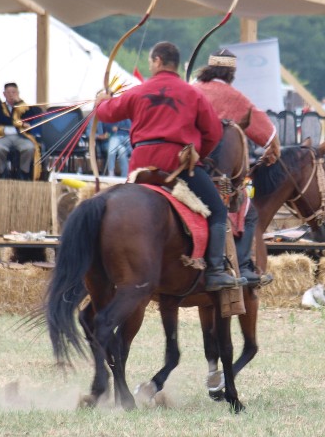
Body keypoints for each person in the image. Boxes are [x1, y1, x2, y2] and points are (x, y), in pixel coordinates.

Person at [94, 41, 239, 291]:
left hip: (141, 167)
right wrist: (196, 156)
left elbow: (107, 113)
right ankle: (215, 271)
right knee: (217, 210)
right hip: (177, 166)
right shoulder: (193, 93)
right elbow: (214, 132)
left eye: (151, 62)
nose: (150, 66)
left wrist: (101, 101)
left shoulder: (139, 90)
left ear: (158, 61)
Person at [194, 49, 280, 286]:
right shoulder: (233, 97)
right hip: (214, 176)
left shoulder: (193, 89)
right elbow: (266, 131)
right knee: (247, 211)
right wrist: (273, 148)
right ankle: (243, 267)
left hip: (184, 168)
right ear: (231, 73)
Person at [0, 83, 42, 180]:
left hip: (21, 137)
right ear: (4, 94)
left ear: (18, 93)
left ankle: (23, 172)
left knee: (29, 148)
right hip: (2, 136)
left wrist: (20, 103)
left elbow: (30, 118)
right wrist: (20, 124)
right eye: (8, 92)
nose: (11, 95)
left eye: (13, 92)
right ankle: (2, 172)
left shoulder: (23, 106)